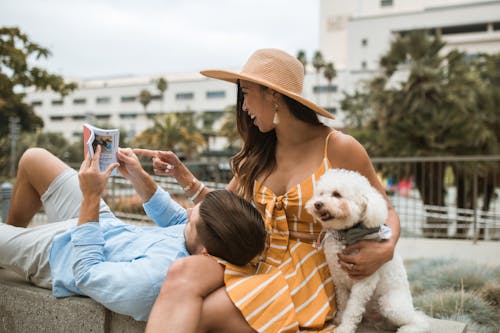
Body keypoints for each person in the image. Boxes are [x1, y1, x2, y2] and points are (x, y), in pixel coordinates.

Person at [143, 48, 401, 333]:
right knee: (182, 272)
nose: (243, 107)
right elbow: (225, 210)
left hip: (305, 277)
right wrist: (182, 175)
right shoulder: (260, 149)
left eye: (246, 93)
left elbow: (385, 209)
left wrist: (385, 249)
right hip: (254, 257)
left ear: (273, 95)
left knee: (203, 313)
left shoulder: (338, 147)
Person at [0, 146, 266, 321]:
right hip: (104, 224)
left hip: (60, 254)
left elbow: (86, 273)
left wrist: (92, 196)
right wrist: (136, 174)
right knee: (34, 159)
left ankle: (13, 247)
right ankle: (8, 250)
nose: (186, 213)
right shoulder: (206, 242)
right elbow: (176, 218)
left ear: (204, 252)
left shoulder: (151, 283)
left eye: (191, 218)